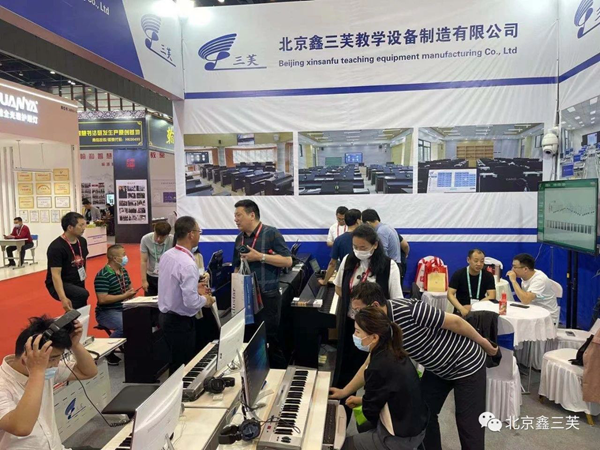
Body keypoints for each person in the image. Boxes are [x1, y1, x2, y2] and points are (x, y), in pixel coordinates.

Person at [350, 282, 498, 450]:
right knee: (423, 414)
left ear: (375, 305)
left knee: (469, 426)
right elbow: (369, 362)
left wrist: (484, 344)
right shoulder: (380, 326)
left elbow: (456, 322)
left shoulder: (409, 310)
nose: (356, 316)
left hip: (467, 363)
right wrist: (345, 391)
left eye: (358, 310)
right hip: (438, 368)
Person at [330, 307, 428, 450]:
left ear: (374, 337)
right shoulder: (390, 349)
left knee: (342, 446)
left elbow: (370, 411)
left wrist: (365, 401)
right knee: (362, 426)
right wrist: (348, 394)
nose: (354, 335)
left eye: (358, 332)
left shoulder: (379, 366)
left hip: (401, 437)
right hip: (414, 424)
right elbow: (388, 392)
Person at [0, 316, 98, 450]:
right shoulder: (6, 384)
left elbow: (88, 372)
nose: (56, 364)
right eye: (52, 359)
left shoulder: (43, 369)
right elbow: (21, 427)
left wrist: (75, 345)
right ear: (26, 357)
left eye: (58, 358)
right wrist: (37, 372)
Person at [332, 224, 402, 393]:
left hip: (375, 329)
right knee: (347, 369)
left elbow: (396, 299)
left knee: (374, 373)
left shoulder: (388, 266)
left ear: (375, 245)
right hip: (351, 324)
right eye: (355, 247)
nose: (358, 251)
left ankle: (370, 405)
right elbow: (338, 287)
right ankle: (342, 400)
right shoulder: (348, 260)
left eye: (363, 247)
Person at [233, 199, 292, 369]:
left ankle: (279, 374)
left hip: (267, 297)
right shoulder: (239, 239)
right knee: (249, 341)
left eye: (239, 215)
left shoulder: (271, 233)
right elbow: (236, 266)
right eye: (235, 216)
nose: (236, 219)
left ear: (252, 215)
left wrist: (260, 257)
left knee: (269, 340)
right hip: (246, 299)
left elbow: (287, 261)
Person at [158, 216, 215, 374]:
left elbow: (172, 285)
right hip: (180, 322)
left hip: (166, 317)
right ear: (191, 234)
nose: (199, 235)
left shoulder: (168, 255)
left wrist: (194, 287)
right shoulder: (188, 264)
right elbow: (191, 302)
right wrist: (206, 300)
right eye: (199, 232)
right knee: (183, 367)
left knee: (175, 363)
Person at [94, 245, 137, 366]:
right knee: (124, 326)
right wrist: (124, 295)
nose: (125, 257)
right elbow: (102, 299)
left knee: (142, 319)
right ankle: (107, 351)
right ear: (114, 258)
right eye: (123, 255)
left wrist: (131, 295)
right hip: (107, 312)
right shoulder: (103, 275)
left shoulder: (123, 271)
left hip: (124, 307)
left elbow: (130, 288)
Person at [46, 213, 89, 311]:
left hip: (77, 279)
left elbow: (83, 261)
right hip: (60, 282)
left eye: (84, 224)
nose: (84, 228)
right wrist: (63, 298)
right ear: (70, 227)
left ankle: (72, 318)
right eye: (81, 225)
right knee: (82, 295)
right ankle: (72, 318)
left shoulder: (82, 241)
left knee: (81, 304)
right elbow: (55, 275)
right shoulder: (56, 247)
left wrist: (82, 278)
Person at [506, 253, 560, 323]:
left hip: (547, 317)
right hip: (532, 311)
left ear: (525, 269)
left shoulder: (539, 279)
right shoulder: (526, 275)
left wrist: (513, 281)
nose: (512, 270)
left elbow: (525, 300)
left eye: (515, 267)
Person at [448, 249, 496, 317]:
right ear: (468, 260)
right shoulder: (458, 274)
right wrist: (461, 308)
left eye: (482, 261)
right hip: (462, 309)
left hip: (481, 309)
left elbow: (492, 296)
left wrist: (473, 306)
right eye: (476, 261)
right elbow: (450, 294)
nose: (479, 264)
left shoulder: (488, 276)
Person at [319, 209, 361, 285]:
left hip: (346, 277)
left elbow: (332, 264)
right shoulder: (365, 237)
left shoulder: (339, 240)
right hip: (363, 276)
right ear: (358, 221)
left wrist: (325, 281)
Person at [140, 222, 174, 296]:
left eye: (162, 237)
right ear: (154, 230)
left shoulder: (173, 240)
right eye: (157, 235)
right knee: (149, 301)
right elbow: (143, 261)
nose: (158, 239)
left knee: (166, 300)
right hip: (151, 275)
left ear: (167, 235)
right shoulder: (146, 239)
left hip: (167, 276)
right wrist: (144, 280)